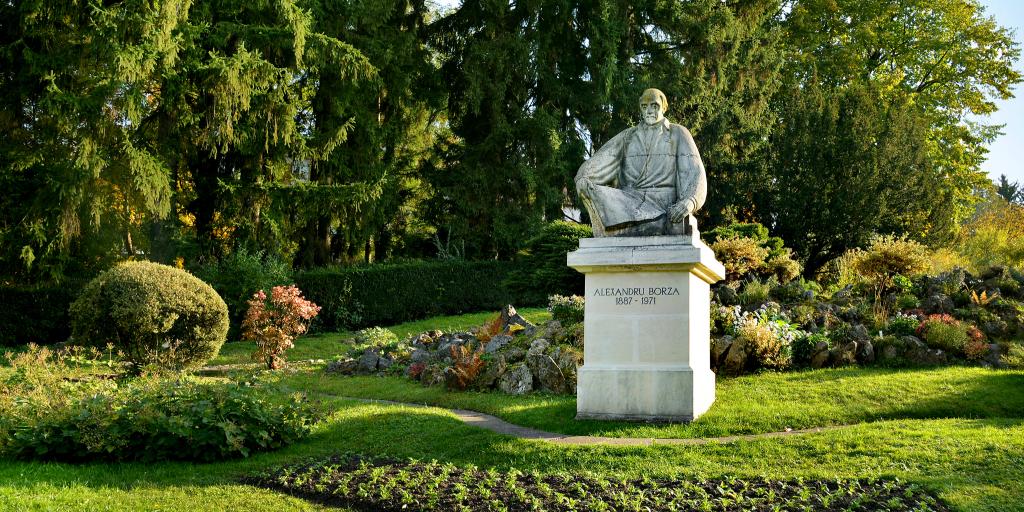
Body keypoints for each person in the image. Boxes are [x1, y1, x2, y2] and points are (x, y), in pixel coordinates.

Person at [575, 88, 707, 237]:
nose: (649, 111)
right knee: (586, 186)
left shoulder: (678, 133)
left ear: (664, 107)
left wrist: (690, 201)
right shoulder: (628, 136)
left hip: (663, 205)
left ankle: (647, 222)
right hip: (628, 202)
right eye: (645, 106)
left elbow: (695, 172)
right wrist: (583, 177)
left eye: (654, 105)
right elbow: (603, 159)